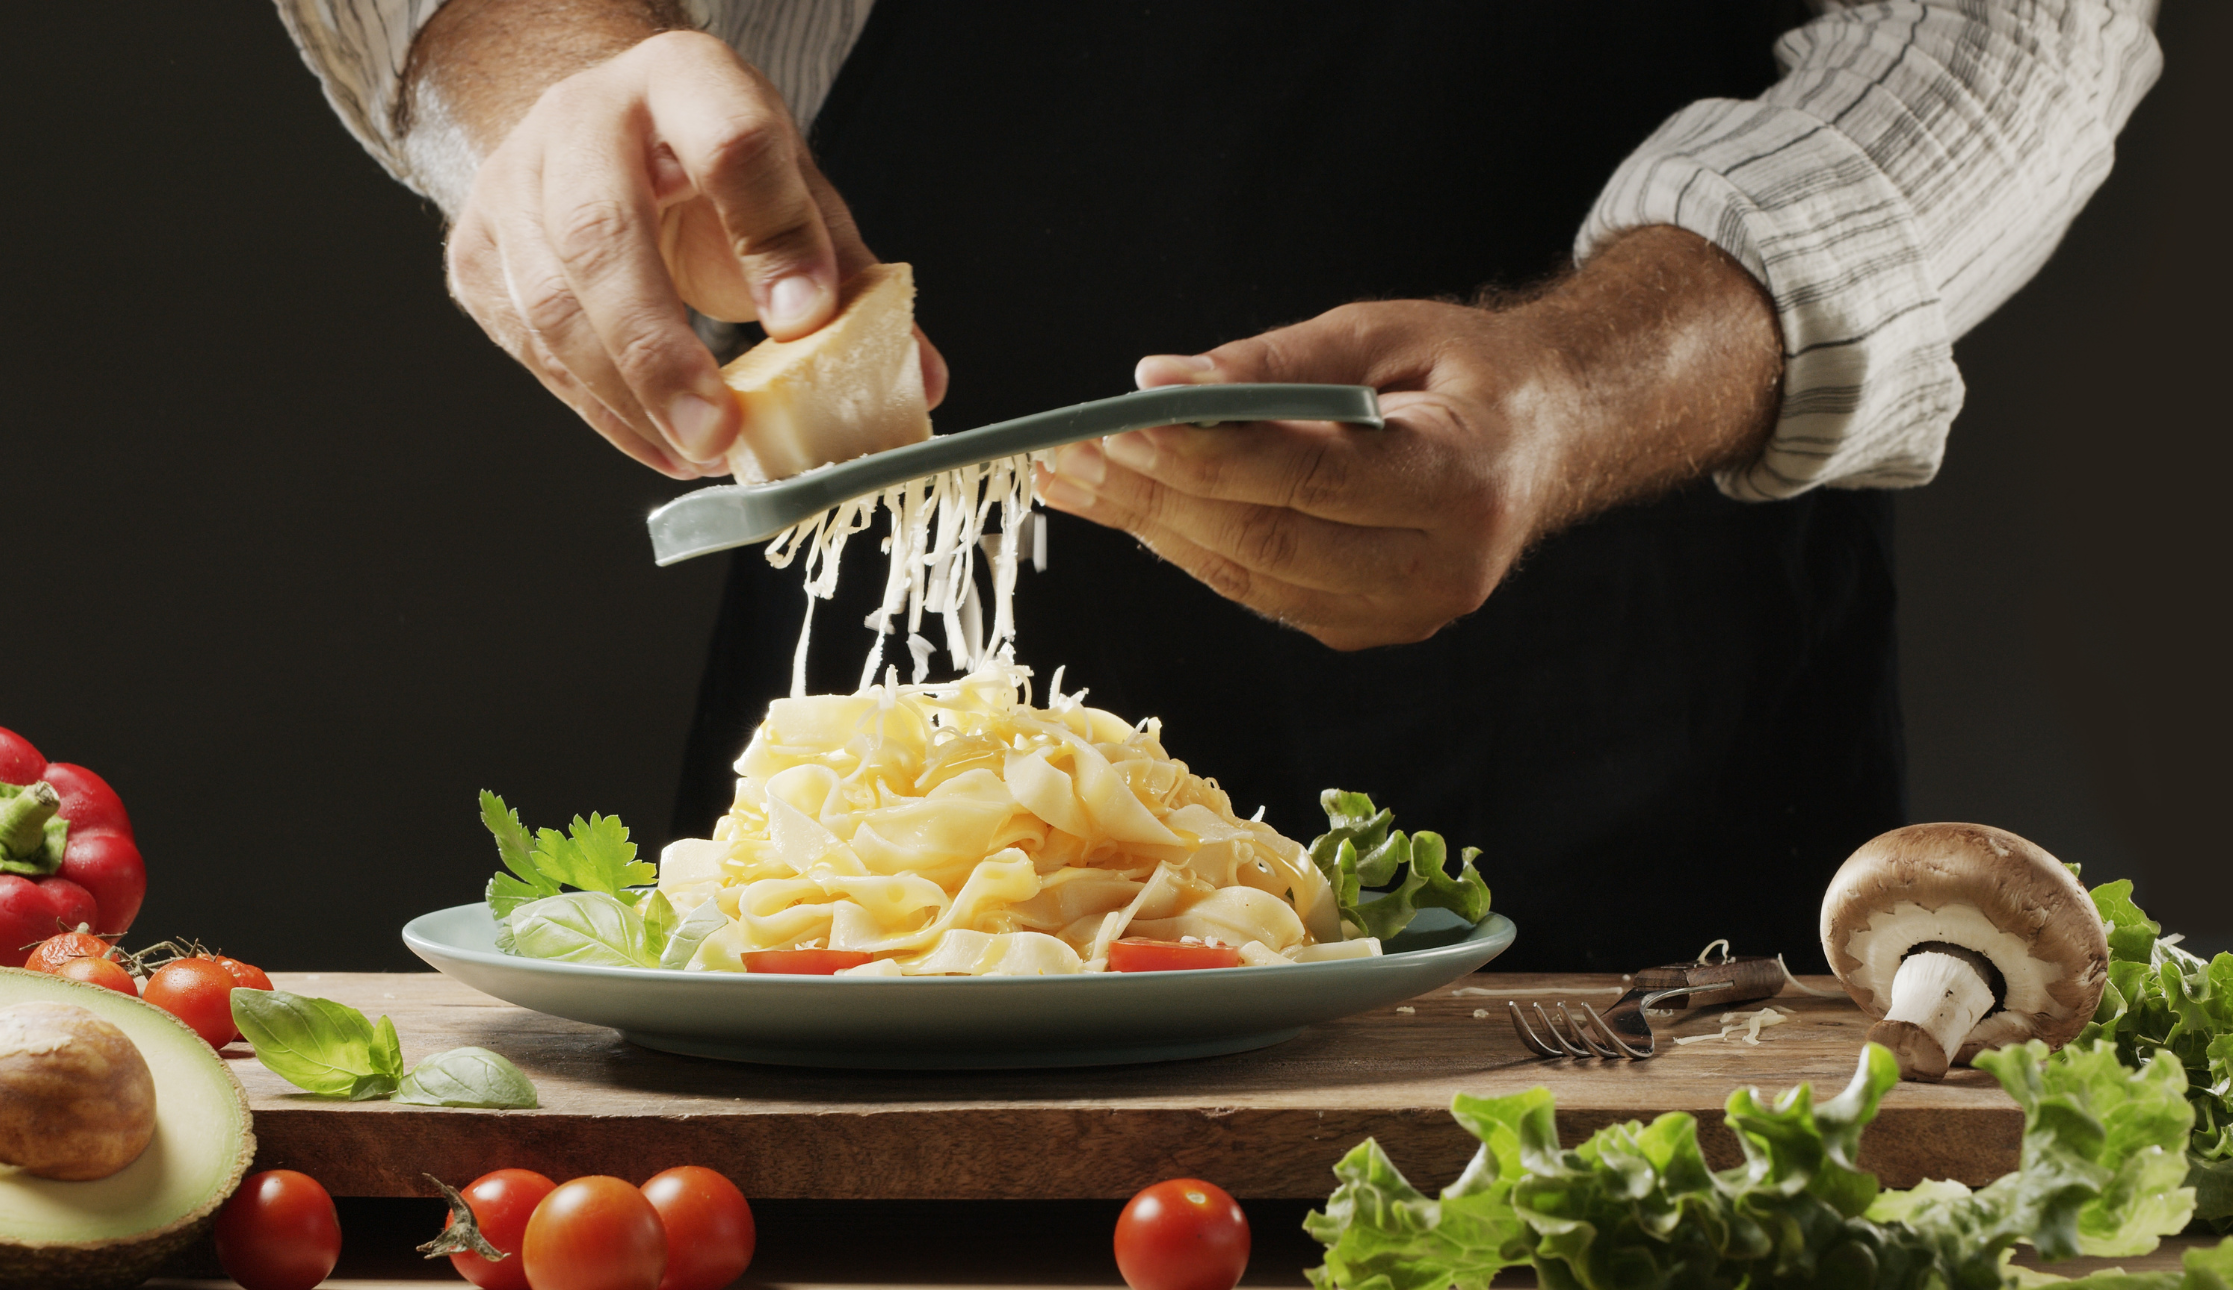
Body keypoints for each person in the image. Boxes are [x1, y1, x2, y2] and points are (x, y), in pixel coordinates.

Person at [275, 0, 2160, 970]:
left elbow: (2023, 25)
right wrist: (548, 85)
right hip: (877, 724)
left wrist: (1591, 384)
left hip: (1632, 659)